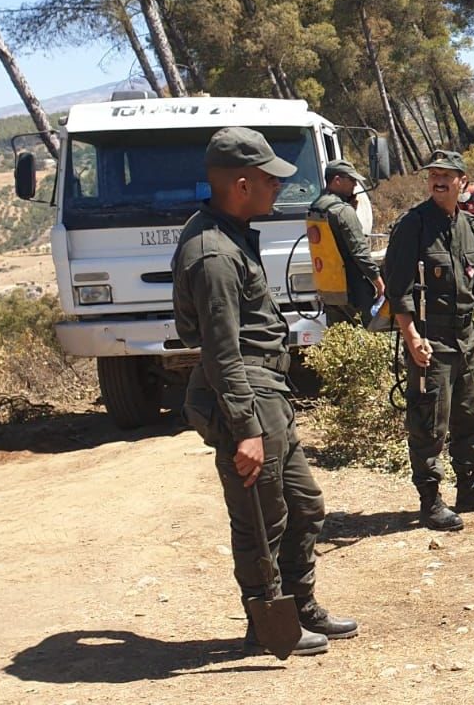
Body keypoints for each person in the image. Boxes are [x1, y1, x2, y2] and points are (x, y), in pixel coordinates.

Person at [173, 127, 357, 657]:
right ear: (241, 183)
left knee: (304, 505)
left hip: (267, 390)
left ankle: (300, 605)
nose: (278, 190)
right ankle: (269, 624)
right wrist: (246, 429)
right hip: (246, 395)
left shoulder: (230, 233)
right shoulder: (213, 254)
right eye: (271, 181)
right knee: (261, 518)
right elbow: (220, 352)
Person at [383, 150, 474, 532]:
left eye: (446, 175)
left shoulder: (469, 227)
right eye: (433, 175)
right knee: (428, 422)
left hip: (466, 336)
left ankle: (469, 489)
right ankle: (430, 501)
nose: (438, 180)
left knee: (471, 416)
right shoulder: (413, 226)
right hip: (430, 339)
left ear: (462, 184)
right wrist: (412, 338)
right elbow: (398, 290)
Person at [309, 160, 384, 326]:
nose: (355, 184)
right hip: (352, 290)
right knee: (368, 337)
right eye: (351, 180)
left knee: (339, 338)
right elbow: (359, 252)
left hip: (329, 290)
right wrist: (378, 282)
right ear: (337, 180)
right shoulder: (343, 211)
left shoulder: (315, 207)